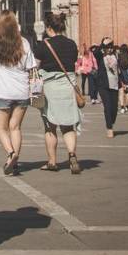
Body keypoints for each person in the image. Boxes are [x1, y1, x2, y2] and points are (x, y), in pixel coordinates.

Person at [33, 12, 83, 173]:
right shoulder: (71, 44)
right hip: (68, 87)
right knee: (68, 126)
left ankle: (52, 161)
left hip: (50, 88)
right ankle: (72, 155)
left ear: (48, 28)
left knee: (50, 127)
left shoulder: (43, 45)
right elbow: (72, 63)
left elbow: (36, 66)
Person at [0, 10, 36, 175]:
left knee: (0, 129)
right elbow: (31, 68)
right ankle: (14, 162)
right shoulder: (24, 42)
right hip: (22, 92)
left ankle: (11, 154)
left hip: (2, 92)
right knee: (15, 127)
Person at [94, 38, 120, 138]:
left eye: (110, 47)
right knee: (108, 106)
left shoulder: (115, 56)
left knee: (114, 108)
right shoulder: (101, 56)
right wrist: (102, 44)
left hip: (114, 84)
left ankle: (111, 122)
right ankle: (109, 128)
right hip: (103, 85)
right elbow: (95, 52)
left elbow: (119, 70)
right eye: (107, 47)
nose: (109, 49)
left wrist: (124, 82)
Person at [118, 44, 128, 114]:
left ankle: (122, 107)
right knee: (127, 91)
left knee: (121, 91)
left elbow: (118, 68)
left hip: (121, 75)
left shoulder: (119, 57)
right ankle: (127, 106)